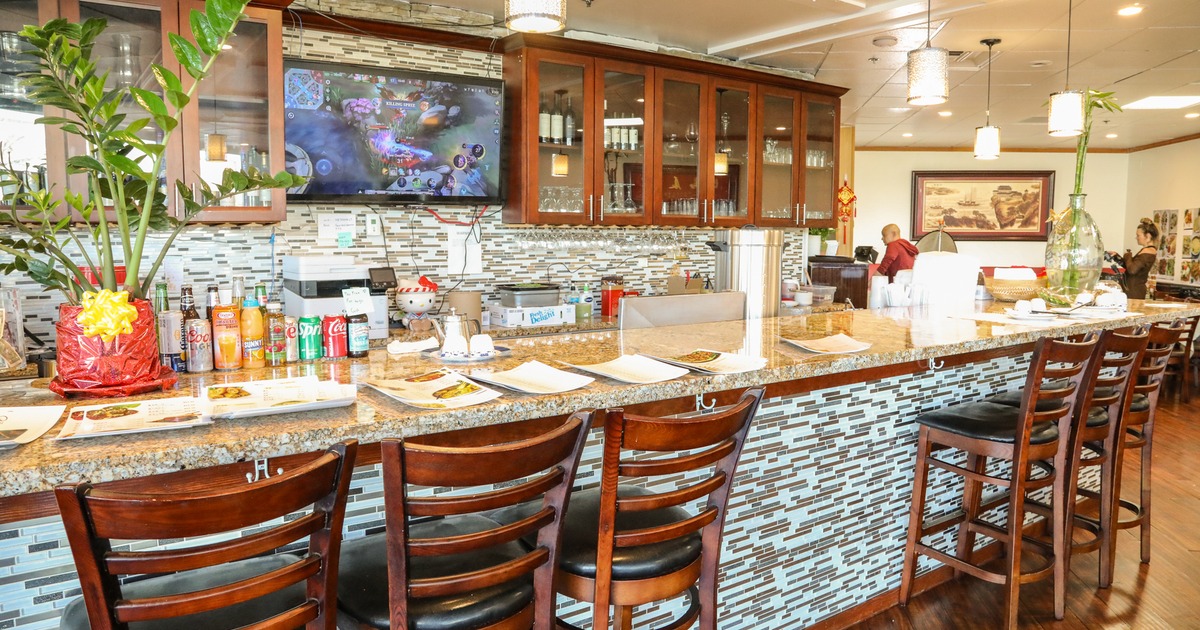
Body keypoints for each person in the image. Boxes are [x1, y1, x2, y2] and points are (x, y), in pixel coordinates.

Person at [1109, 217, 1158, 299]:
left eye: (1138, 235)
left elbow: (1132, 270)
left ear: (1148, 236)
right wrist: (1117, 257)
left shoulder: (1148, 251)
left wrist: (1128, 255)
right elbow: (1130, 267)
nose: (1136, 238)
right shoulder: (1146, 250)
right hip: (1132, 290)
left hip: (1135, 292)